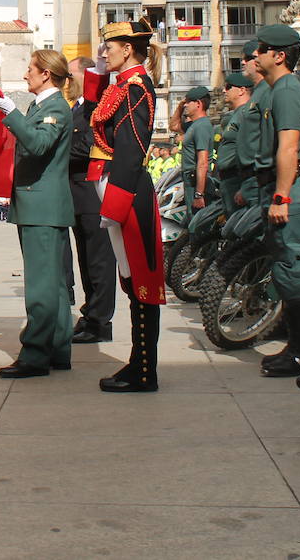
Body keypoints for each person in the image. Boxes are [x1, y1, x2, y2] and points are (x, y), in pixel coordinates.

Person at [87, 20, 165, 393]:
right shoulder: (121, 85)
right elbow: (94, 106)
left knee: (140, 281)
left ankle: (144, 371)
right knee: (130, 278)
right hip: (118, 189)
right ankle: (138, 364)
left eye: (110, 46)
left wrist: (114, 204)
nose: (104, 52)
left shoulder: (135, 87)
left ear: (128, 49)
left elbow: (132, 150)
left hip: (128, 191)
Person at [0, 49, 75, 378]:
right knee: (52, 284)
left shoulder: (55, 108)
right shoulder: (43, 106)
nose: (26, 74)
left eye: (30, 69)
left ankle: (36, 354)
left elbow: (38, 145)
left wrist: (13, 115)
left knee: (40, 286)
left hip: (42, 207)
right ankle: (58, 347)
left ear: (46, 75)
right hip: (39, 205)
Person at [252, 23, 300, 378]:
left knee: (291, 267)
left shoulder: (286, 91)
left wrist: (281, 196)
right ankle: (294, 344)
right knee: (284, 265)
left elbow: (289, 147)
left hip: (290, 192)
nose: (254, 55)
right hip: (284, 190)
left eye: (261, 50)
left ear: (278, 56)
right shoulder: (280, 89)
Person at [67, 52, 117, 344]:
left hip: (92, 193)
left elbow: (90, 144)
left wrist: (58, 149)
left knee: (99, 261)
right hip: (77, 194)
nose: (68, 81)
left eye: (72, 76)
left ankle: (100, 321)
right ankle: (91, 314)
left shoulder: (97, 107)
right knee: (86, 261)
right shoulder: (79, 107)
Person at [234, 40, 269, 210]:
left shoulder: (269, 91)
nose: (242, 62)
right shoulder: (258, 92)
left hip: (259, 177)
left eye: (248, 57)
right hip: (249, 178)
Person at [215, 73, 253, 214]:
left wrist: (245, 187)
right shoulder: (237, 114)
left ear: (242, 90)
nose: (224, 90)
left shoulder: (247, 113)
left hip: (237, 180)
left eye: (228, 87)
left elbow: (250, 150)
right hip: (228, 181)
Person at [180, 86, 214, 212]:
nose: (185, 105)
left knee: (196, 225)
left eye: (189, 101)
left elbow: (203, 162)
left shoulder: (201, 126)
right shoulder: (195, 125)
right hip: (191, 181)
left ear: (198, 103)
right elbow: (174, 125)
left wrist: (199, 194)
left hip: (196, 182)